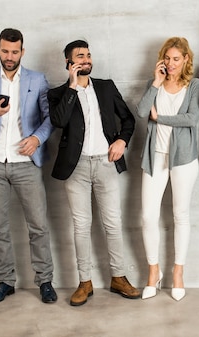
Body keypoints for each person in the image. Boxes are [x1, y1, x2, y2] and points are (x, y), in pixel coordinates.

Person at [48, 39, 140, 306]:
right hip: (75, 167)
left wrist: (122, 141)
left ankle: (118, 277)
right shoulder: (58, 94)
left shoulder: (106, 87)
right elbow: (58, 121)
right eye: (79, 56)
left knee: (112, 223)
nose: (86, 59)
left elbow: (129, 119)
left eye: (88, 55)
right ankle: (84, 282)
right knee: (81, 225)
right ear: (69, 62)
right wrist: (72, 86)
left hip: (105, 164)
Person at [0, 28, 57, 305]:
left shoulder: (37, 79)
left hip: (26, 163)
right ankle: (5, 281)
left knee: (38, 226)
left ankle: (45, 281)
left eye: (14, 51)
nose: (9, 56)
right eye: (5, 51)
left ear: (22, 51)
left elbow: (49, 119)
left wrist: (36, 138)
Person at [136, 37, 199, 301]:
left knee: (180, 215)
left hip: (183, 158)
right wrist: (155, 82)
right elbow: (142, 112)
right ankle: (154, 271)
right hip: (155, 157)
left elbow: (192, 119)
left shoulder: (194, 85)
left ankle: (178, 273)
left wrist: (160, 118)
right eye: (167, 58)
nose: (171, 63)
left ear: (186, 59)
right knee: (147, 217)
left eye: (176, 58)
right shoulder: (155, 84)